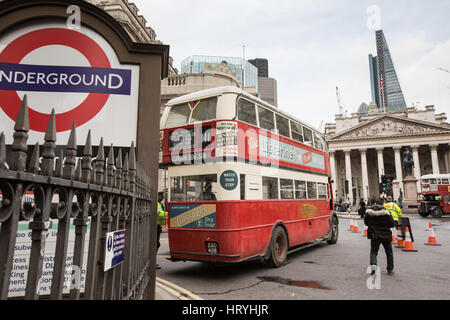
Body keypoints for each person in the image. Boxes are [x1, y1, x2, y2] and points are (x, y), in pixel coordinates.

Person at [364, 198, 395, 275]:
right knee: (389, 252)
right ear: (383, 203)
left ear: (375, 203)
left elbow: (366, 223)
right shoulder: (387, 213)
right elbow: (392, 224)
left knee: (374, 252)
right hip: (386, 235)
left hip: (375, 235)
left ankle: (373, 265)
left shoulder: (369, 213)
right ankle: (390, 269)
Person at [156, 192, 167, 270]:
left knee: (157, 244)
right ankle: (153, 261)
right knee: (156, 244)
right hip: (155, 226)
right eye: (161, 195)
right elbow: (159, 214)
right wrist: (168, 213)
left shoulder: (159, 203)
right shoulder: (157, 204)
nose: (162, 197)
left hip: (158, 226)